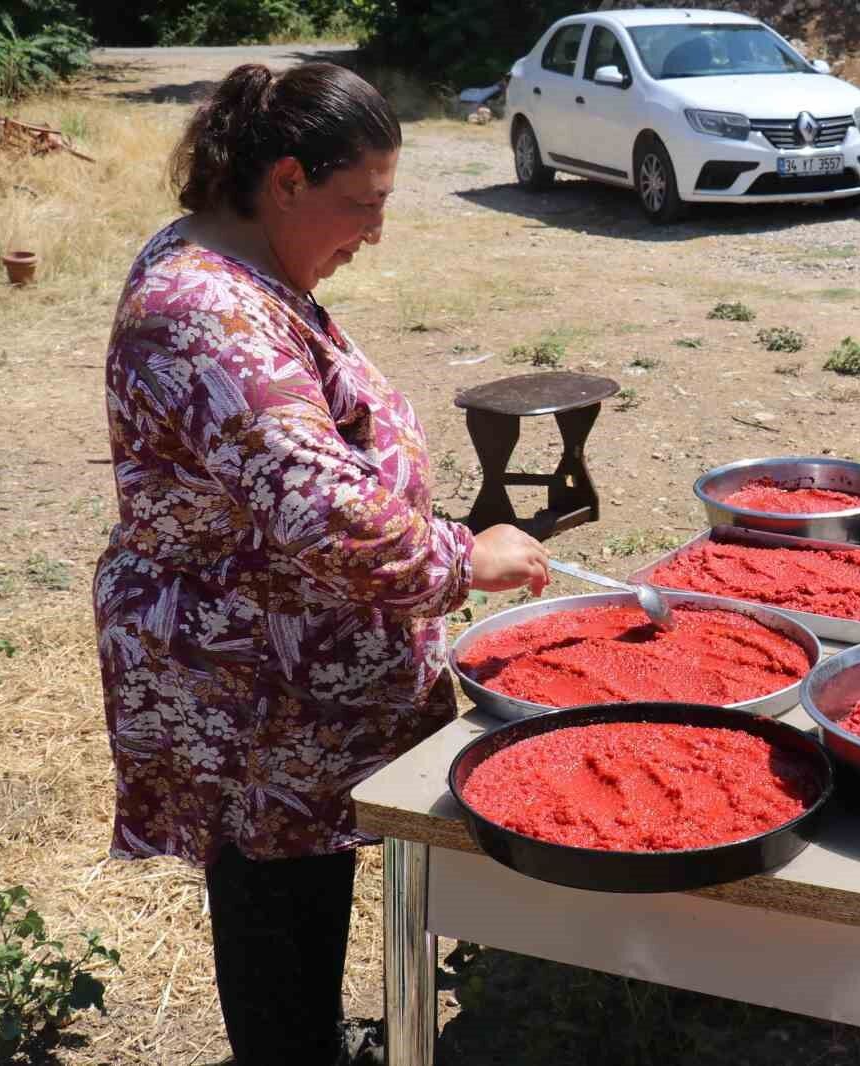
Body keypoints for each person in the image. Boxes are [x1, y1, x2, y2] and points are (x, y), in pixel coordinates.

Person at [92, 63, 550, 1066]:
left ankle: (308, 1040)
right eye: (362, 204)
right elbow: (321, 508)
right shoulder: (201, 314)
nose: (374, 232)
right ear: (286, 180)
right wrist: (464, 557)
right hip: (249, 683)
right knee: (271, 892)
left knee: (300, 872)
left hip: (289, 676)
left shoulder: (241, 266)